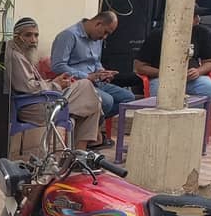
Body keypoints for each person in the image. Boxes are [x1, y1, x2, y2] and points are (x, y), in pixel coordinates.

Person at [10, 18, 103, 150]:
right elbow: (29, 88)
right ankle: (80, 153)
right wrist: (56, 85)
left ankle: (78, 154)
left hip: (41, 101)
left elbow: (32, 84)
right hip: (33, 108)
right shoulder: (15, 56)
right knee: (86, 88)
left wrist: (54, 82)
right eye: (28, 35)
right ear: (17, 37)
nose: (33, 40)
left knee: (89, 101)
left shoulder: (22, 54)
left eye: (36, 35)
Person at [51, 11, 135, 121]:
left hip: (95, 82)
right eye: (105, 32)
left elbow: (95, 62)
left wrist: (102, 72)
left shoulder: (97, 39)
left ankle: (92, 125)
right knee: (107, 101)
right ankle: (91, 130)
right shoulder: (69, 35)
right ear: (98, 24)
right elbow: (58, 66)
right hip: (76, 85)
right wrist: (86, 76)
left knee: (127, 98)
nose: (104, 37)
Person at [134, 10, 211, 100]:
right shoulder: (157, 35)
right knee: (161, 97)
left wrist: (198, 71)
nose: (198, 19)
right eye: (194, 16)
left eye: (198, 15)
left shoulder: (203, 33)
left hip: (191, 79)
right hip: (162, 80)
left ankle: (192, 113)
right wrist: (164, 73)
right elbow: (139, 66)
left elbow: (210, 61)